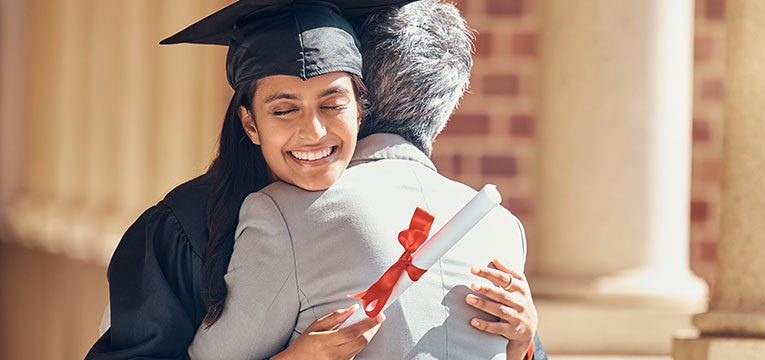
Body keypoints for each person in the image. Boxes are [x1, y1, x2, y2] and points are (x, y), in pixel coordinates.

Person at [85, 1, 545, 359]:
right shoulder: (180, 228)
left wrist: (522, 340)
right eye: (283, 110)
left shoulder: (388, 208)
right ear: (249, 123)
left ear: (361, 108)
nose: (315, 132)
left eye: (333, 104)